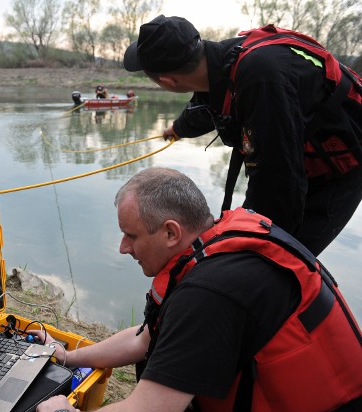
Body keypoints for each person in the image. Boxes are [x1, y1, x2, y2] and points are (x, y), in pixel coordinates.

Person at [33, 167, 362, 412]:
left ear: (171, 231)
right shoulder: (214, 246)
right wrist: (66, 356)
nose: (123, 248)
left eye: (131, 235)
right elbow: (142, 339)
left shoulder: (211, 292)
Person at [122, 15, 362, 256]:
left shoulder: (260, 80)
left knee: (273, 260)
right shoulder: (219, 63)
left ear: (169, 81)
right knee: (243, 242)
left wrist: (254, 251)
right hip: (288, 159)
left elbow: (277, 185)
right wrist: (177, 130)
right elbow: (206, 107)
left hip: (338, 169)